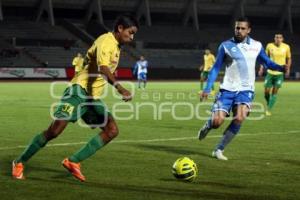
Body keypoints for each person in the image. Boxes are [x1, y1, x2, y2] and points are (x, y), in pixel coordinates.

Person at [12, 15, 139, 181]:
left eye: (134, 34)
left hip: (91, 98)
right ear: (120, 28)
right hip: (78, 91)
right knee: (54, 131)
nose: (132, 37)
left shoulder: (116, 46)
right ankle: (19, 162)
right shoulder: (107, 41)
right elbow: (103, 68)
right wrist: (120, 88)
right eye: (130, 32)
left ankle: (73, 162)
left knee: (111, 130)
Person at [198, 17, 286, 161]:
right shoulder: (225, 45)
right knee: (217, 122)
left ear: (249, 30)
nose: (239, 30)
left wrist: (280, 67)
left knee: (240, 117)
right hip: (227, 90)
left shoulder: (257, 46)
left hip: (246, 90)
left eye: (242, 28)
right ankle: (208, 125)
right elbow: (215, 69)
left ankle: (219, 149)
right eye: (237, 28)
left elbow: (267, 62)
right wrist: (207, 88)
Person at [258, 34, 292, 116]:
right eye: (276, 37)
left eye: (280, 37)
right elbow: (264, 58)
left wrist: (288, 69)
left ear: (282, 39)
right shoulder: (269, 46)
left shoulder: (286, 47)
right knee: (266, 92)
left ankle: (268, 109)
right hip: (270, 72)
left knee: (275, 91)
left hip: (280, 73)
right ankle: (270, 103)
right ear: (274, 38)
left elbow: (289, 58)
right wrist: (261, 68)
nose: (278, 39)